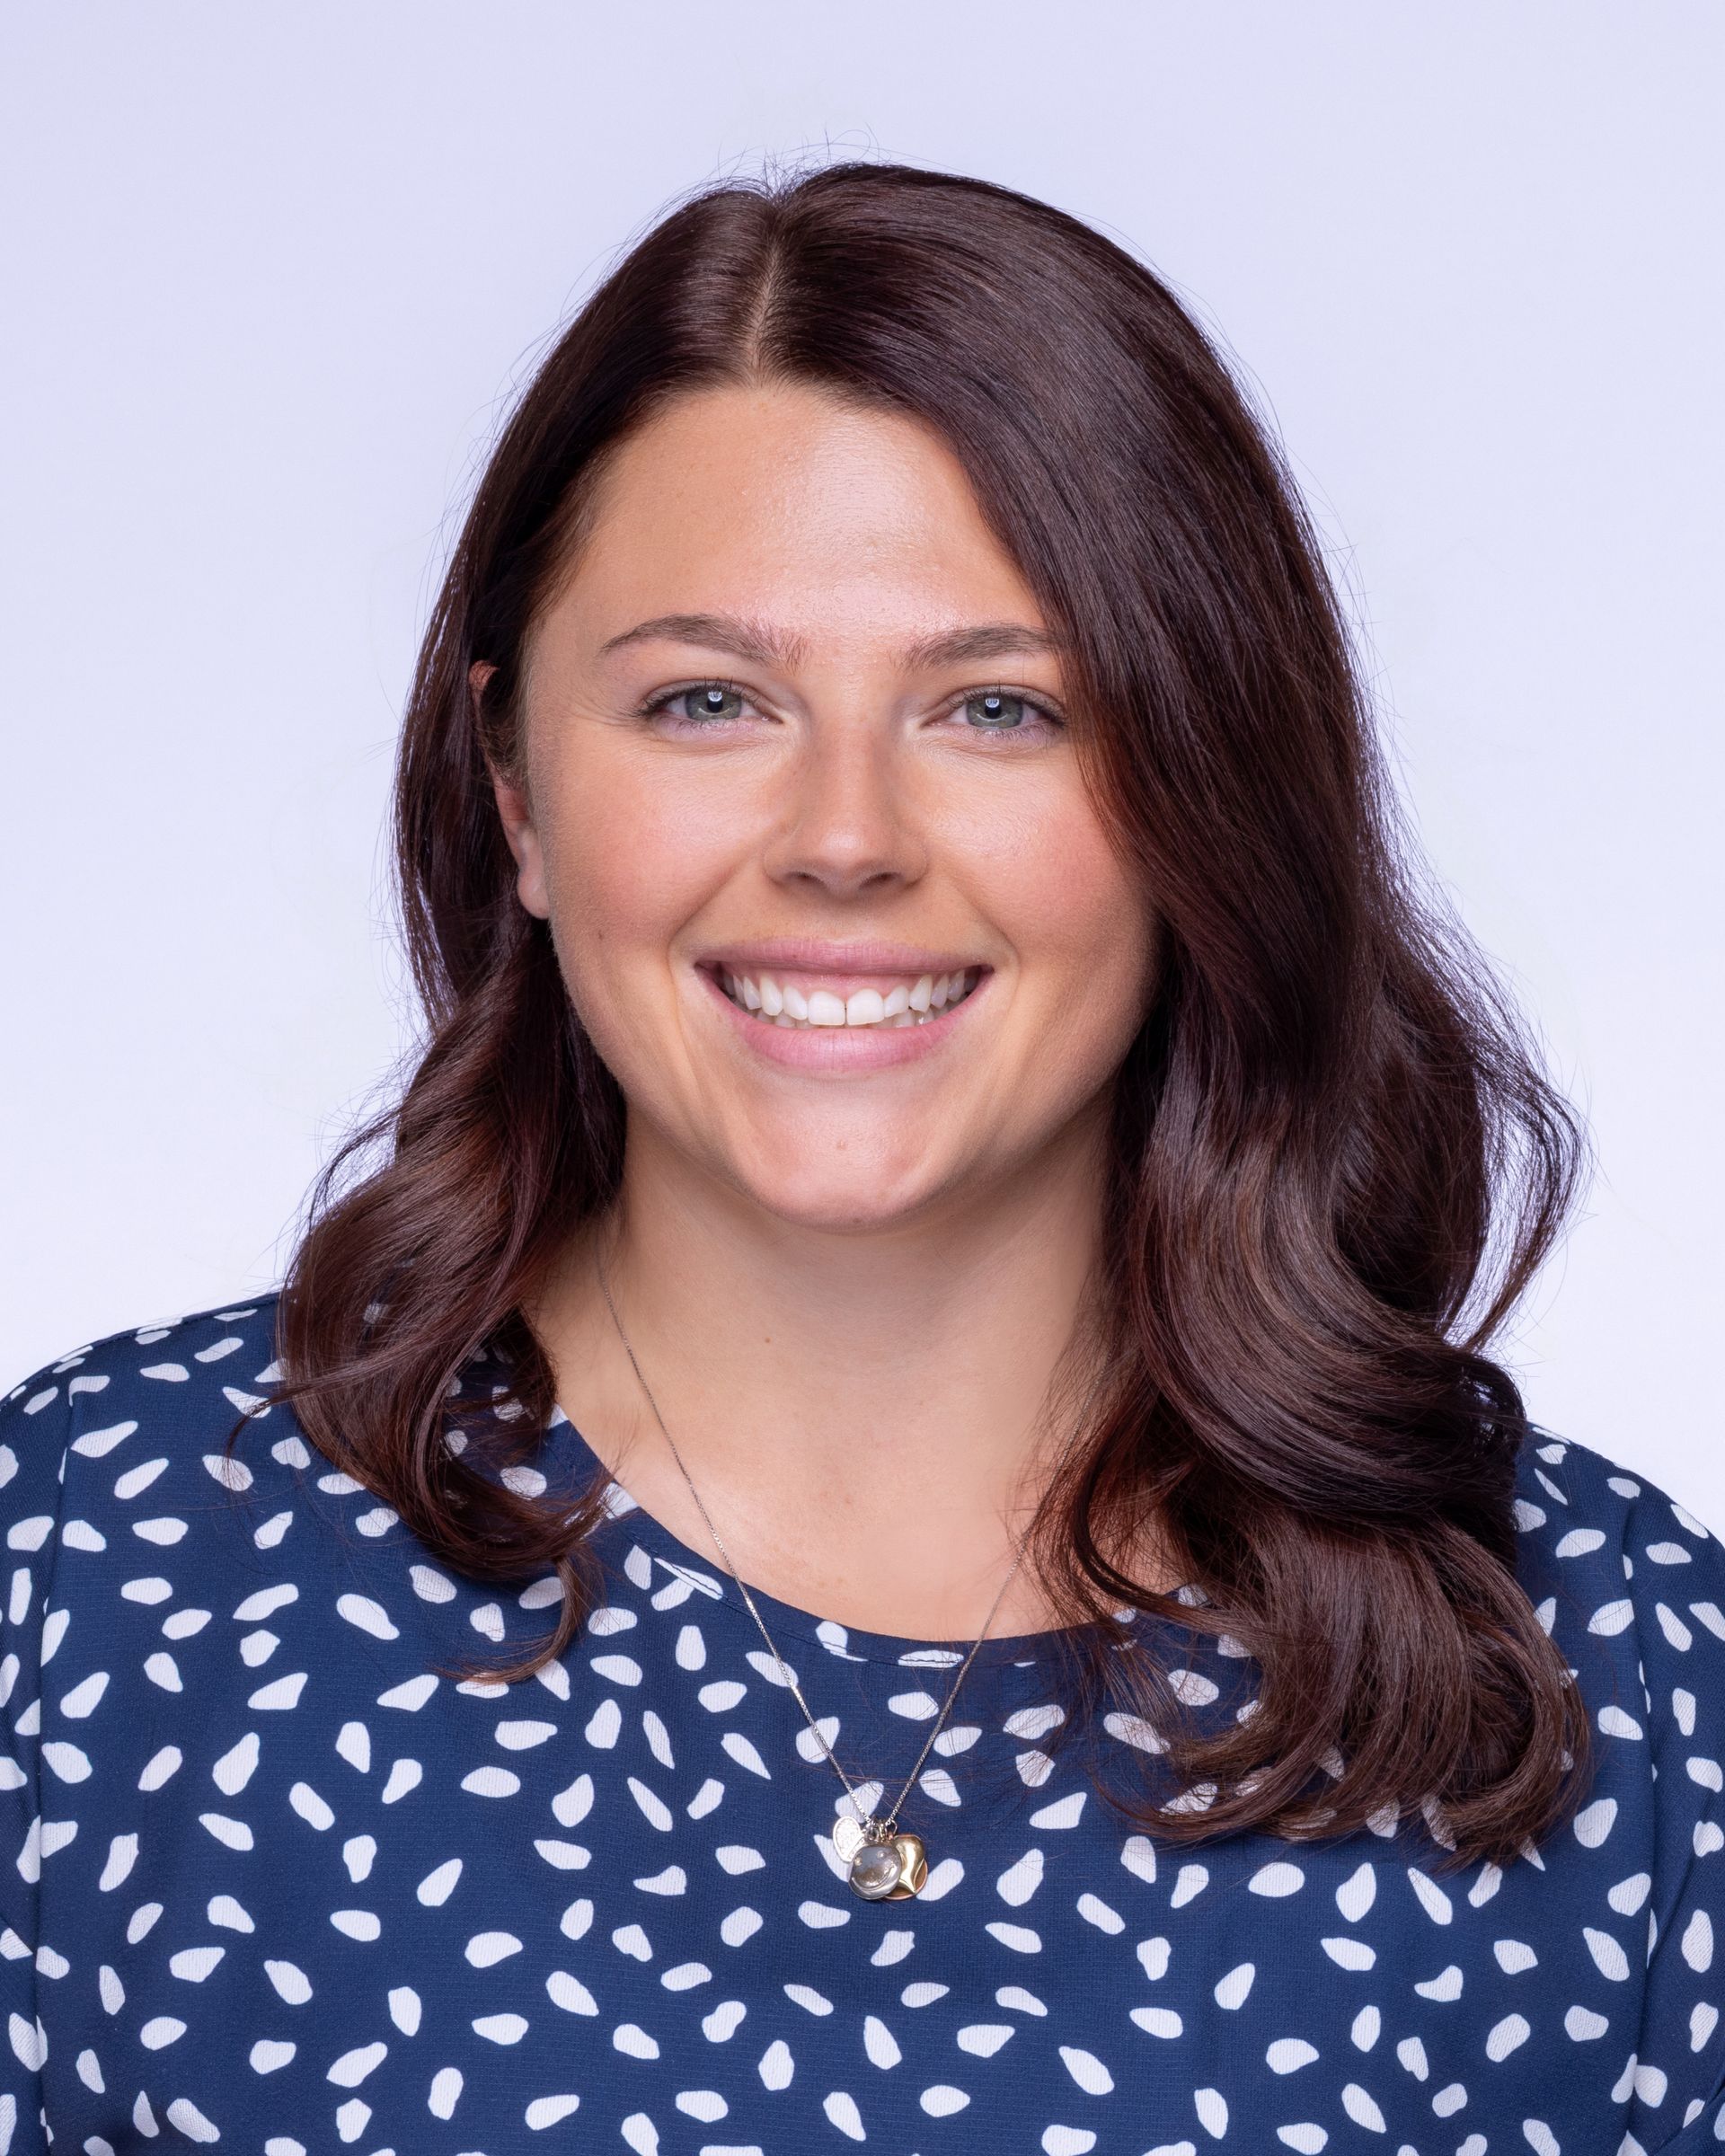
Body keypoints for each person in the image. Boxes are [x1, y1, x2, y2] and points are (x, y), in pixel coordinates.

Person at [3, 160, 1721, 2156]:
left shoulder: (1614, 1682)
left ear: (1204, 797)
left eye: (997, 706)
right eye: (707, 700)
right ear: (517, 790)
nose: (843, 835)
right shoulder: (86, 1577)